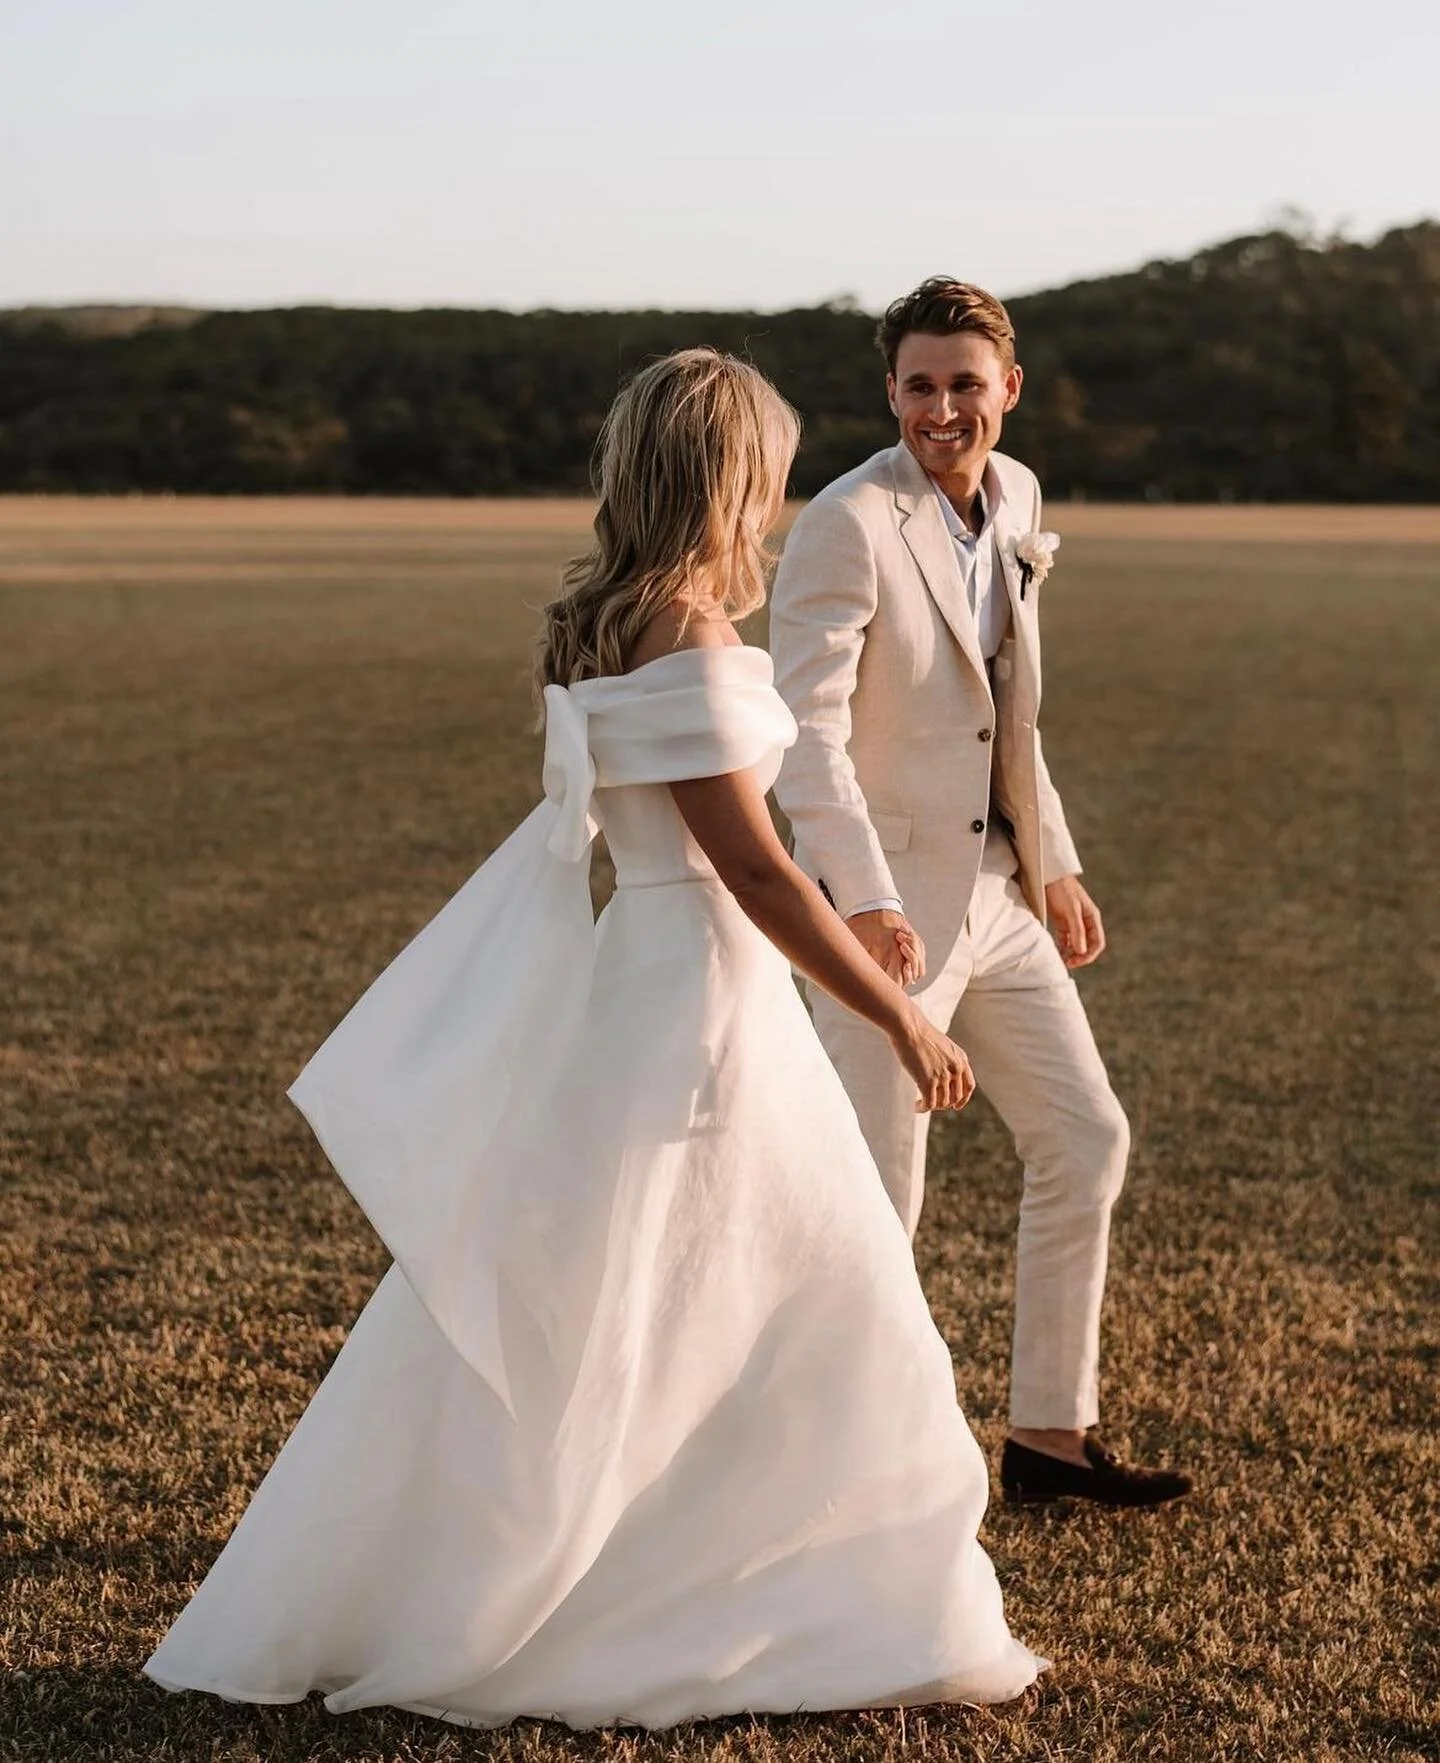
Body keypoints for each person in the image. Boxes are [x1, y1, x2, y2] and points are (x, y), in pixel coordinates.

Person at [143, 348, 1045, 1730]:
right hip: (701, 997)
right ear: (721, 473)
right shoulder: (684, 633)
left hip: (656, 973)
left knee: (647, 1287)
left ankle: (644, 1552)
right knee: (768, 1284)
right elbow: (750, 871)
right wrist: (899, 1015)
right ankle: (690, 1589)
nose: (784, 492)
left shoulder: (602, 620)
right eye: (769, 465)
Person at [769, 280, 1192, 1509]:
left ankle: (1049, 1440)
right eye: (918, 385)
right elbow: (808, 733)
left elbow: (1013, 708)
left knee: (1085, 1137)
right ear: (889, 392)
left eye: (966, 383)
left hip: (1000, 893)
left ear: (1009, 388)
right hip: (887, 912)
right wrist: (857, 894)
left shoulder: (1018, 497)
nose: (942, 408)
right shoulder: (847, 523)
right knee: (877, 1199)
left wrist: (1050, 860)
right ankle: (843, 1474)